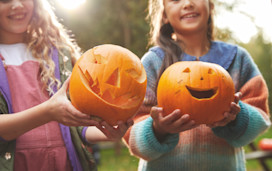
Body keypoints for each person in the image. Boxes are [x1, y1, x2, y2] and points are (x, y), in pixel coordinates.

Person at [123, 0, 271, 170]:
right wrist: (158, 128)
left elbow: (260, 117)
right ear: (164, 14)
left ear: (211, 6)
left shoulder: (239, 59)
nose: (187, 4)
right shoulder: (152, 63)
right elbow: (131, 124)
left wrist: (236, 117)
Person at [0, 0, 133, 170]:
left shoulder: (56, 54)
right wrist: (48, 112)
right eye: (5, 0)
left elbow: (77, 125)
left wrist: (106, 132)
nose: (17, 5)